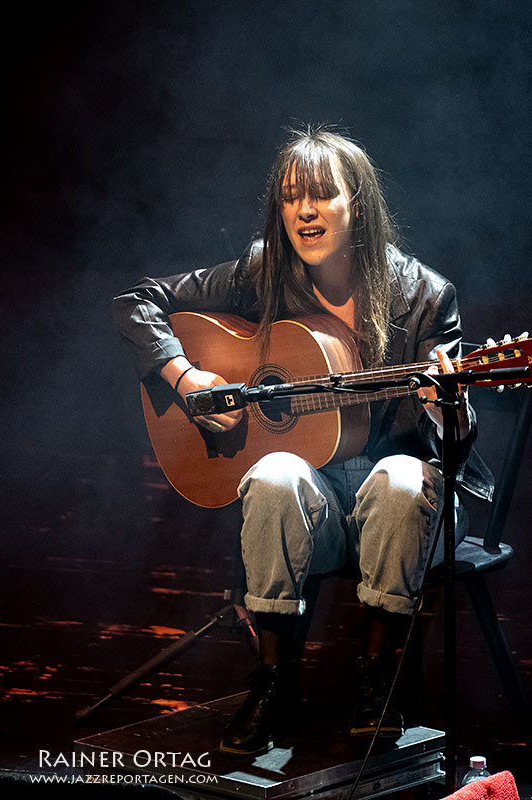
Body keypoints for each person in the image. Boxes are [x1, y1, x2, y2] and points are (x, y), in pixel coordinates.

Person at [111, 126, 493, 756]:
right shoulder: (266, 272)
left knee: (400, 478)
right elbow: (137, 302)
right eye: (291, 198)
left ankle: (378, 682)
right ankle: (275, 681)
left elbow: (450, 450)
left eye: (321, 195)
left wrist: (446, 408)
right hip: (320, 510)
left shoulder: (425, 296)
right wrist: (186, 377)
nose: (304, 212)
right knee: (274, 473)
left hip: (406, 512)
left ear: (358, 205)